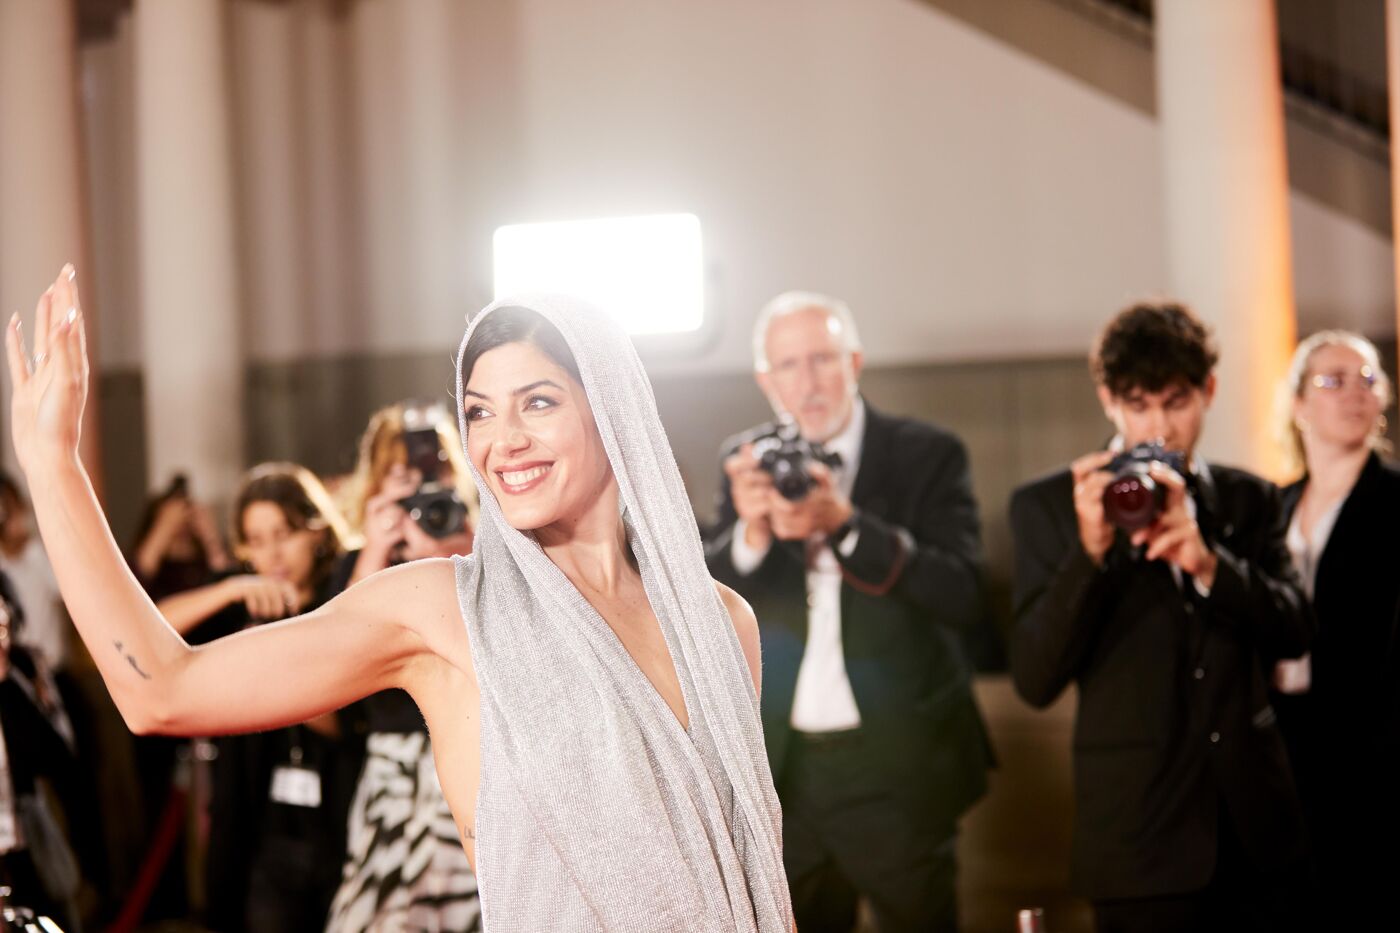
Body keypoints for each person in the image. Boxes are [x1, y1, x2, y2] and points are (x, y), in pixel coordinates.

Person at [4, 267, 794, 933]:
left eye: (539, 401)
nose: (501, 439)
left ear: (612, 407)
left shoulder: (720, 623)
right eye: (479, 410)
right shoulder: (442, 610)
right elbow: (159, 689)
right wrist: (52, 464)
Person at [1008, 301, 1312, 933]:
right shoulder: (1049, 506)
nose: (1159, 427)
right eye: (1139, 404)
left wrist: (1208, 564)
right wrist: (1088, 555)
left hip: (1259, 834)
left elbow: (1295, 630)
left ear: (1208, 392)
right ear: (1108, 400)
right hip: (1137, 841)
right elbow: (1035, 681)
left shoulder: (1249, 498)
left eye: (1175, 403)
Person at [704, 292, 990, 933]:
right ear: (765, 380)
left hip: (898, 764)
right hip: (784, 772)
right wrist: (751, 533)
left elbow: (964, 591)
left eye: (822, 360)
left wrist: (848, 525)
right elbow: (706, 604)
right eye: (788, 366)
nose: (806, 384)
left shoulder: (927, 454)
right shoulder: (744, 461)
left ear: (855, 362)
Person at [153, 463, 365, 933]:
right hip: (261, 828)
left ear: (315, 530)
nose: (272, 552)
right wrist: (227, 589)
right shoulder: (242, 599)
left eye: (284, 533)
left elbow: (341, 724)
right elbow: (151, 627)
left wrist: (270, 657)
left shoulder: (347, 592)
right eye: (256, 538)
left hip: (343, 819)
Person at [323, 403, 480, 933]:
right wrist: (376, 548)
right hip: (393, 759)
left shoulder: (482, 546)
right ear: (376, 483)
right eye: (399, 476)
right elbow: (337, 654)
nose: (418, 489)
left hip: (473, 749)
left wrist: (453, 553)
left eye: (431, 472)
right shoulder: (360, 563)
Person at [1271, 330, 1400, 925]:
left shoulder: (1395, 500)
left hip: (1370, 751)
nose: (1355, 393)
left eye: (1368, 379)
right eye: (1333, 380)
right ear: (1298, 404)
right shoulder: (1270, 508)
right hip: (1281, 744)